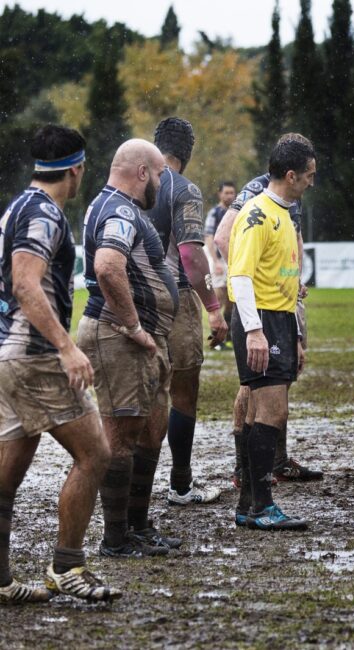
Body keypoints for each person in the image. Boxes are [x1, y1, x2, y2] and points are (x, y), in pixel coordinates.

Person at [0, 125, 121, 603]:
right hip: (35, 358)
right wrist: (67, 348)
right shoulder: (45, 214)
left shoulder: (15, 209)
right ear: (76, 169)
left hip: (10, 355)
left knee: (8, 475)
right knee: (95, 454)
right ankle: (67, 566)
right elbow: (26, 284)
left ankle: (2, 580)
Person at [77, 138, 179, 557]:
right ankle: (115, 538)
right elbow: (106, 266)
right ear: (141, 173)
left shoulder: (119, 207)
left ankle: (137, 525)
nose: (159, 182)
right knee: (120, 437)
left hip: (141, 342)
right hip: (119, 339)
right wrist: (134, 324)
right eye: (157, 174)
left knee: (152, 429)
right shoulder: (119, 210)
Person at [213, 134, 322, 487]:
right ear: (290, 173)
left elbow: (290, 247)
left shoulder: (287, 207)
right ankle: (248, 481)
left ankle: (262, 479)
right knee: (259, 398)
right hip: (261, 313)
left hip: (283, 310)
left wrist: (289, 281)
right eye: (308, 173)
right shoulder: (257, 206)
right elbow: (231, 255)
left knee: (275, 401)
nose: (312, 180)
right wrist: (254, 321)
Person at [146, 117, 227, 511]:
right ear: (187, 152)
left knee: (139, 394)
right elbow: (192, 257)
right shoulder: (183, 188)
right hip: (173, 299)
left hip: (128, 302)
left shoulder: (128, 181)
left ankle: (131, 488)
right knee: (182, 392)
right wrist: (213, 308)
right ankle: (180, 483)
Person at [204, 180, 237, 345]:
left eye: (232, 193)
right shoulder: (214, 213)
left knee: (232, 300)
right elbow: (209, 238)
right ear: (220, 194)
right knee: (219, 299)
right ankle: (216, 339)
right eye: (227, 193)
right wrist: (215, 261)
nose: (230, 196)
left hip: (234, 261)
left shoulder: (238, 212)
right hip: (219, 261)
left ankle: (228, 337)